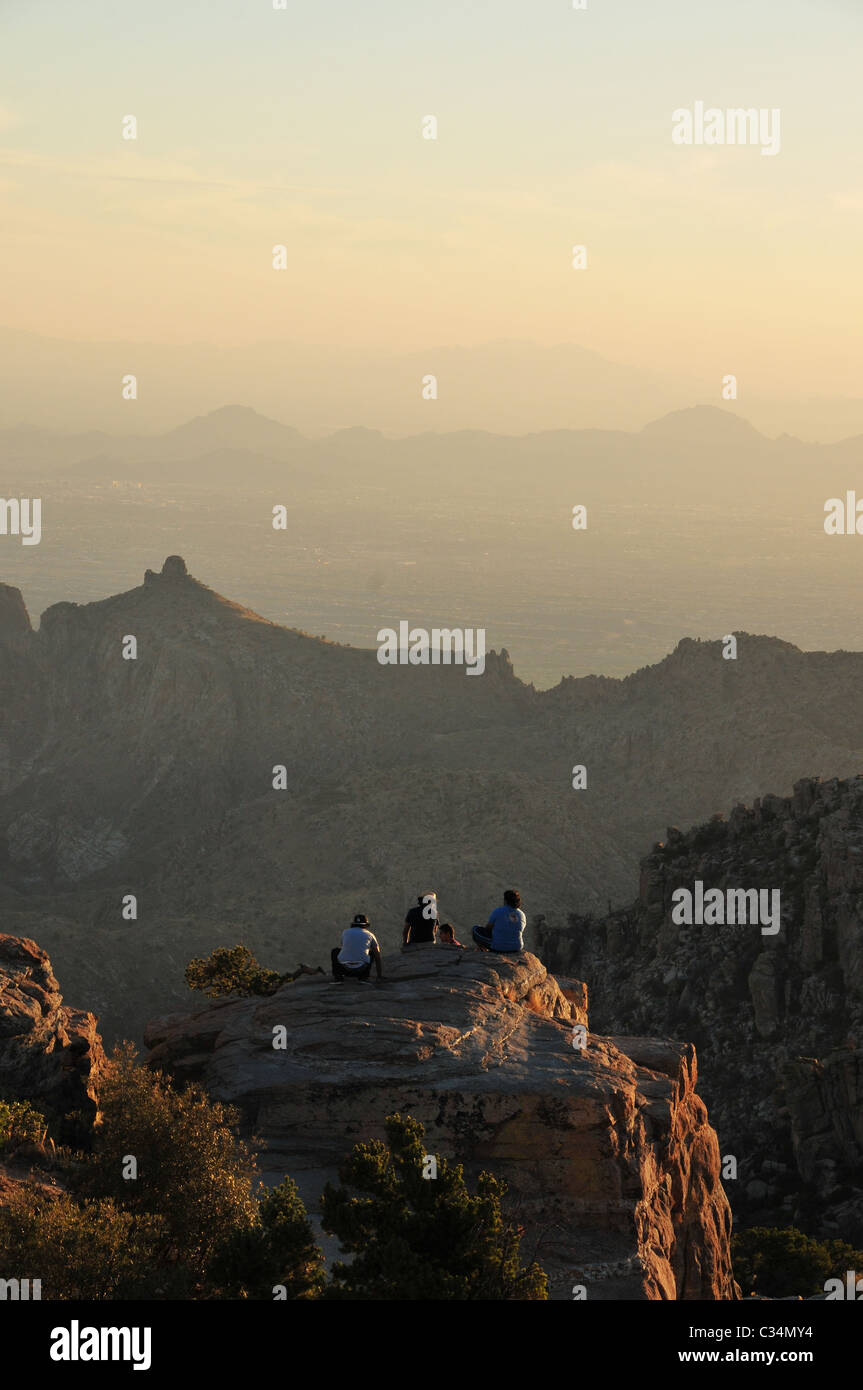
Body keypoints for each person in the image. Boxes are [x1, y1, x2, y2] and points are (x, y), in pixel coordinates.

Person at [331, 913, 383, 982]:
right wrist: (379, 975)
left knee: (335, 951)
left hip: (344, 969)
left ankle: (338, 976)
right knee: (372, 953)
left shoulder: (345, 932)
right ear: (366, 925)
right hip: (361, 970)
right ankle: (364, 977)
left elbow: (344, 947)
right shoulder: (370, 935)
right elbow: (378, 956)